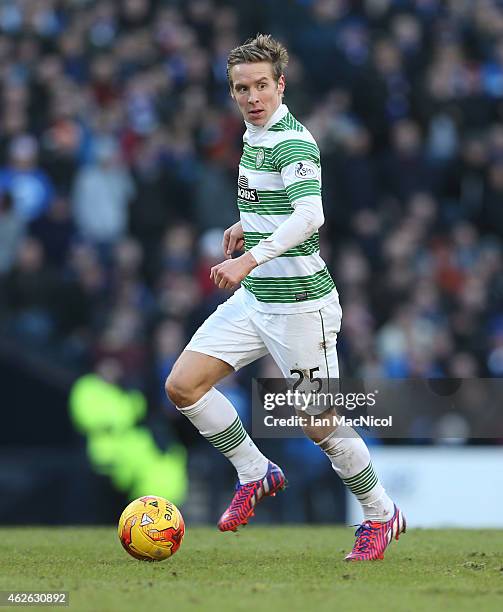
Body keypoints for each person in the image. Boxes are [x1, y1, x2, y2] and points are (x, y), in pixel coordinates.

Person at [166, 34, 405, 561]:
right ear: (231, 92)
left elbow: (310, 216)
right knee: (183, 386)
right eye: (240, 88)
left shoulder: (292, 141)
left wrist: (248, 257)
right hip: (257, 300)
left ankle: (382, 513)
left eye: (261, 86)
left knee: (319, 421)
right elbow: (276, 206)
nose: (252, 97)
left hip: (300, 305)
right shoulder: (254, 136)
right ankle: (255, 471)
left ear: (280, 85)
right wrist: (244, 227)